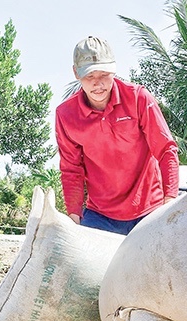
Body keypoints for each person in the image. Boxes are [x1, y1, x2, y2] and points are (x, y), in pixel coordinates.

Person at [55, 35, 179, 235]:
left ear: (114, 69)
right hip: (100, 215)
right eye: (90, 76)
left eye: (104, 74)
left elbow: (166, 149)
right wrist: (73, 219)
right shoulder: (66, 115)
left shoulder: (139, 98)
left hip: (150, 211)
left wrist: (169, 203)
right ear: (76, 73)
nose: (98, 84)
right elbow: (71, 170)